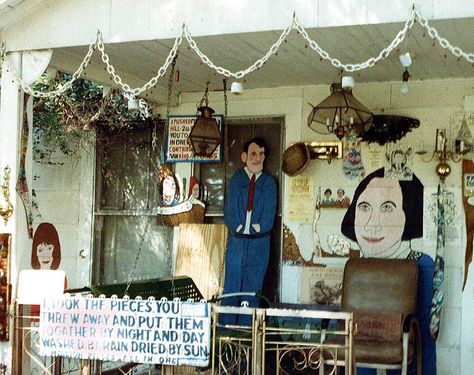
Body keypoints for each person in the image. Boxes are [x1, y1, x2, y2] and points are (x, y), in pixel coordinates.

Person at [341, 167, 436, 375]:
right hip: (364, 342)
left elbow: (424, 338)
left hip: (402, 349)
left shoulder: (423, 265)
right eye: (364, 207)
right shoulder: (358, 267)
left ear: (407, 214)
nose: (371, 224)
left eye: (387, 208)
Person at [222, 137, 277, 323]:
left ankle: (247, 331)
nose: (257, 158)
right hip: (237, 240)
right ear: (244, 156)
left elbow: (269, 211)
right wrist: (237, 225)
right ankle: (227, 330)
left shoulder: (269, 183)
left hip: (259, 242)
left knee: (253, 286)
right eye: (253, 154)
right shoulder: (237, 179)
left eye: (261, 154)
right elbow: (229, 207)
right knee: (232, 284)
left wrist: (258, 227)